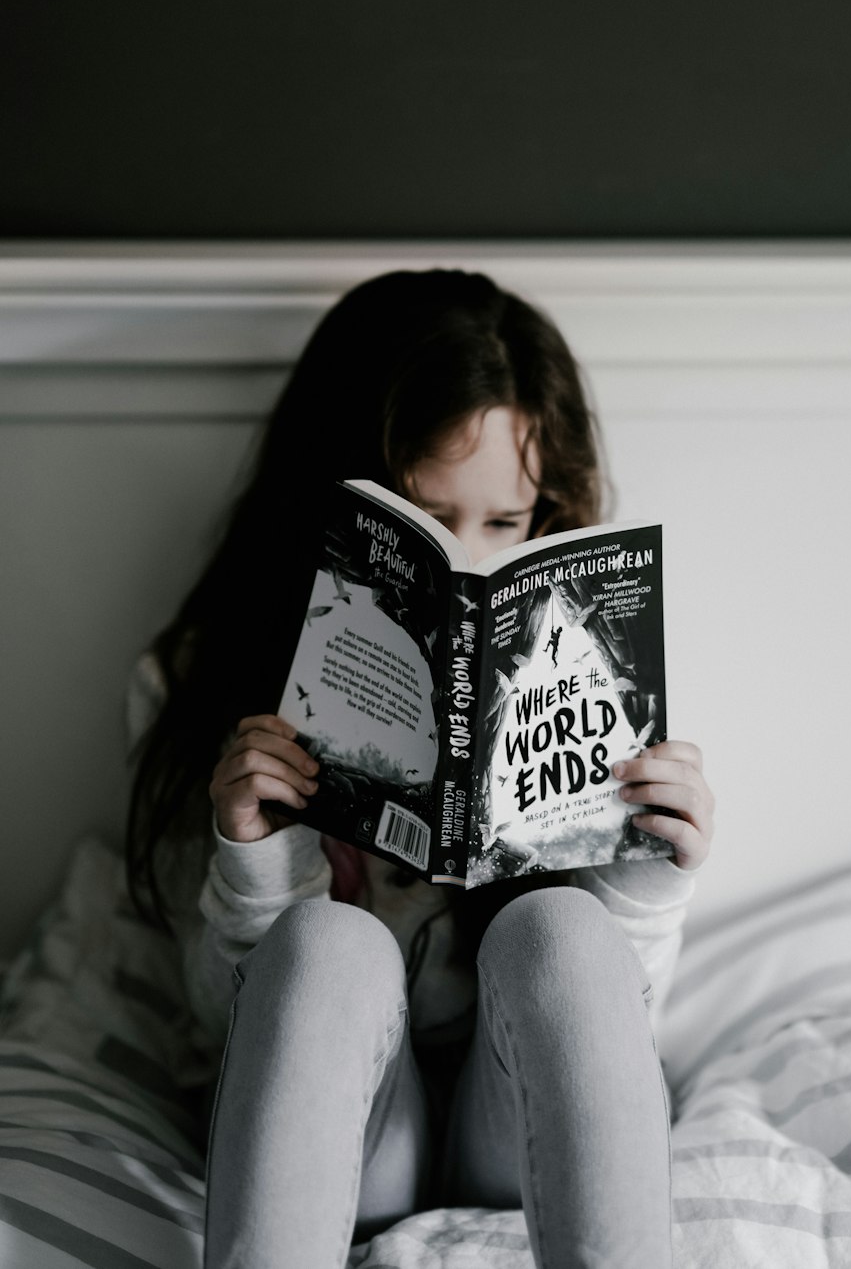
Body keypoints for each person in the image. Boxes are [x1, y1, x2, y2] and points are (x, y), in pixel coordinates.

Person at [124, 268, 715, 1269]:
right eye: (424, 517)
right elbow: (214, 1014)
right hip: (346, 1137)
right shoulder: (193, 684)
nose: (469, 563)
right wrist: (255, 864)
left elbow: (598, 1023)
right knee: (325, 946)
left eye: (502, 523)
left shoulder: (591, 666)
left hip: (508, 1118)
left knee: (563, 928)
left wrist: (649, 883)